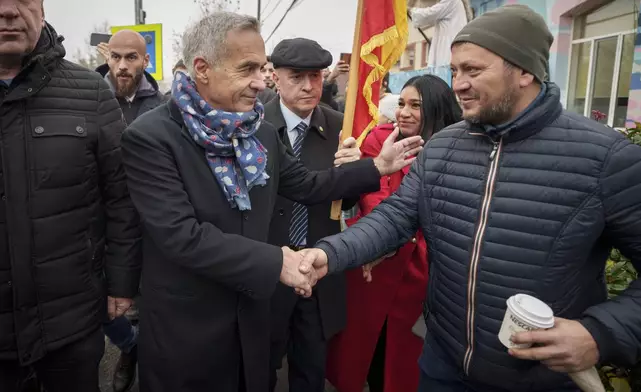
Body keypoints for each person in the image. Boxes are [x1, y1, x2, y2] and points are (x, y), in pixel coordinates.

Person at [299, 5, 641, 391]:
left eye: (474, 71)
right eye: (456, 71)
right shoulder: (444, 146)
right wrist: (329, 254)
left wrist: (600, 334)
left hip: (541, 382)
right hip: (441, 368)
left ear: (525, 71)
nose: (458, 84)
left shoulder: (606, 157)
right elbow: (395, 217)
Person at [119, 11, 423, 392]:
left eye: (262, 69)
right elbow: (182, 236)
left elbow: (308, 184)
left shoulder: (258, 132)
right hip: (190, 324)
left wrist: (377, 167)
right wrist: (278, 261)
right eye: (248, 69)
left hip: (251, 314)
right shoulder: (150, 137)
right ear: (202, 68)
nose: (260, 81)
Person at [0, 1, 141, 391]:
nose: (8, 10)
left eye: (23, 0)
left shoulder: (90, 91)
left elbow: (121, 197)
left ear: (42, 11)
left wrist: (122, 283)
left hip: (72, 327)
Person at [326, 76, 462, 392]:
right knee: (364, 352)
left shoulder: (456, 149)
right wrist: (385, 235)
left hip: (424, 272)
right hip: (372, 264)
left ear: (437, 109)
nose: (404, 112)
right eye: (401, 103)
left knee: (406, 362)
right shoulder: (380, 138)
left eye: (416, 105)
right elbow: (375, 195)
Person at [263, 37, 356, 392]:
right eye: (297, 76)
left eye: (315, 76)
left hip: (318, 270)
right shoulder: (253, 124)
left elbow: (345, 206)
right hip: (268, 269)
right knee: (260, 367)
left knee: (310, 369)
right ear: (275, 76)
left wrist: (352, 177)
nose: (308, 86)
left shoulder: (340, 128)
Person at [97, 29, 167, 392]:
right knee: (104, 309)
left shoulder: (165, 105)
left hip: (150, 224)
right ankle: (129, 347)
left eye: (131, 58)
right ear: (107, 57)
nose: (122, 66)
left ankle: (148, 359)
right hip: (100, 224)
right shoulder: (86, 99)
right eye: (116, 57)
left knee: (149, 305)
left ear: (145, 60)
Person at [408, 0, 471, 70]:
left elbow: (430, 14)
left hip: (447, 52)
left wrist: (410, 10)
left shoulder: (451, 1)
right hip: (451, 49)